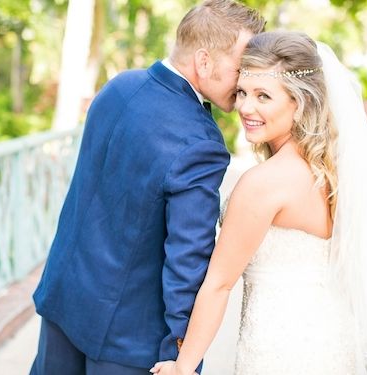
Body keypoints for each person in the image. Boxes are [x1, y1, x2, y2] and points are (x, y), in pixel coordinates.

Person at [29, 1, 265, 374]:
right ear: (204, 62)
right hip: (128, 340)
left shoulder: (119, 87)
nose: (244, 82)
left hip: (64, 300)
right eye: (240, 68)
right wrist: (181, 353)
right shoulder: (200, 141)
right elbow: (188, 259)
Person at [150, 31, 367, 375]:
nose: (245, 107)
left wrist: (183, 367)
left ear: (299, 104)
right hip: (333, 340)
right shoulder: (333, 170)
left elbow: (219, 283)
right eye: (242, 91)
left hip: (279, 348)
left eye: (263, 96)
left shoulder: (263, 184)